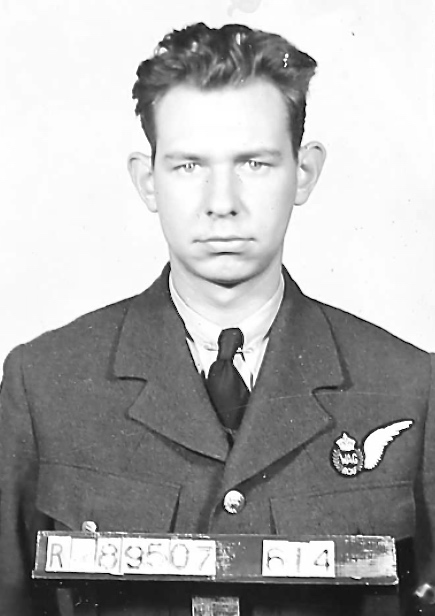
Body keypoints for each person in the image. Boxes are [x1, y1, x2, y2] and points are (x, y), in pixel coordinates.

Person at [0, 21, 434, 616]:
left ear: (304, 172)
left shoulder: (408, 388)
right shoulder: (45, 385)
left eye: (254, 163)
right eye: (188, 166)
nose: (222, 202)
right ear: (146, 180)